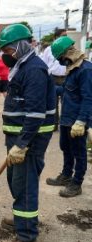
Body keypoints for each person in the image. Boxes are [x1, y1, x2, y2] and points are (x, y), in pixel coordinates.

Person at [0, 23, 56, 242]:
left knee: (25, 184)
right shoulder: (22, 66)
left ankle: (27, 237)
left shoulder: (34, 70)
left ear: (21, 46)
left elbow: (35, 113)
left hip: (29, 141)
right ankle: (23, 218)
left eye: (8, 51)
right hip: (17, 139)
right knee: (16, 181)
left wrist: (21, 145)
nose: (5, 56)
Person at [45, 36, 92, 197]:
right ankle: (66, 175)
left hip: (77, 120)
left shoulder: (85, 70)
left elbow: (88, 98)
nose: (60, 62)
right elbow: (66, 91)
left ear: (67, 54)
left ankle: (76, 183)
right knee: (66, 148)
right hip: (66, 118)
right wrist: (48, 89)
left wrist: (81, 121)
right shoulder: (72, 69)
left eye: (60, 58)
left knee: (79, 152)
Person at [39, 28, 68, 131]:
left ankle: (65, 125)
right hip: (53, 79)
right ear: (56, 37)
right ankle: (54, 125)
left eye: (66, 36)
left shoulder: (69, 48)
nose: (65, 37)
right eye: (63, 36)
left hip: (66, 79)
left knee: (66, 103)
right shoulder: (48, 50)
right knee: (53, 104)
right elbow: (44, 65)